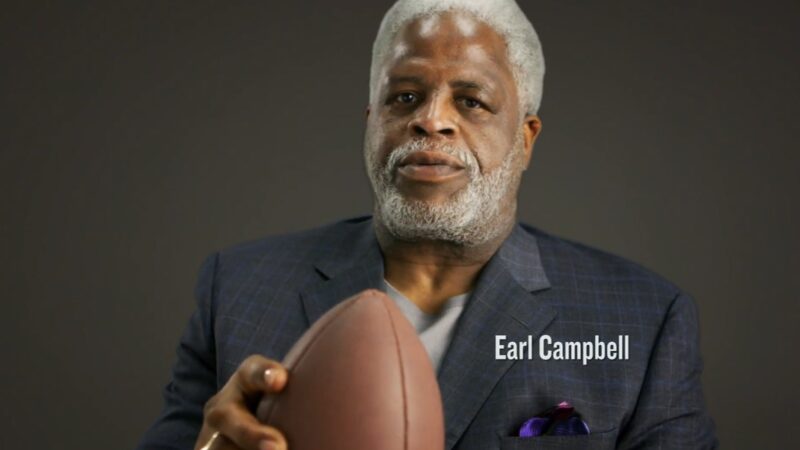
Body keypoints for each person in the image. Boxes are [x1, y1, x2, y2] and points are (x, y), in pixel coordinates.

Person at [138, 0, 717, 449]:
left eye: (471, 101)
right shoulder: (237, 290)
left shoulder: (642, 322)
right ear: (370, 123)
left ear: (525, 138)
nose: (431, 120)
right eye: (406, 95)